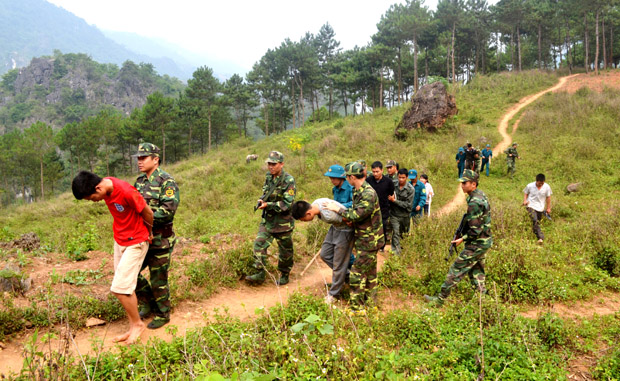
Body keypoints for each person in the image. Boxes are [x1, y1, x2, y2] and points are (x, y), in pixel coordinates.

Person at [72, 171, 153, 344]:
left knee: (119, 288)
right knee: (124, 287)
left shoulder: (125, 191)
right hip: (120, 241)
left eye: (92, 198)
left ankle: (138, 325)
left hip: (136, 241)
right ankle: (133, 325)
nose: (93, 201)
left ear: (98, 187)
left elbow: (148, 213)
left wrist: (150, 233)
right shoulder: (106, 190)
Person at [424, 170, 492, 306]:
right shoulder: (480, 195)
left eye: (465, 183)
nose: (462, 186)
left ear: (473, 184)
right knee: (476, 271)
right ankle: (484, 302)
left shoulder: (474, 202)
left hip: (476, 243)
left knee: (456, 270)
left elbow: (475, 230)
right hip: (484, 242)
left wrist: (463, 238)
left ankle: (440, 300)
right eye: (462, 183)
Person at [325, 162, 384, 314]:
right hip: (365, 238)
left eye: (347, 177)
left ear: (352, 177)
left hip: (370, 240)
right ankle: (371, 303)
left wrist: (337, 209)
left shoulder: (368, 194)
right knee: (370, 274)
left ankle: (357, 309)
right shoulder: (358, 191)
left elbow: (357, 214)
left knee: (356, 274)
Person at [133, 143, 179, 329]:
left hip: (160, 240)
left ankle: (162, 313)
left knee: (158, 278)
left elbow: (168, 210)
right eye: (138, 158)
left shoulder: (166, 182)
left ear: (155, 159)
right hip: (142, 238)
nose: (140, 161)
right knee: (130, 273)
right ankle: (147, 303)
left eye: (144, 158)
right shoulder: (140, 182)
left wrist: (145, 215)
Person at [246, 151, 296, 286]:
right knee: (259, 244)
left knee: (285, 251)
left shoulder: (288, 180)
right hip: (268, 220)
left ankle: (285, 274)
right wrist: (262, 200)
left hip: (283, 222)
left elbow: (287, 204)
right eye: (269, 163)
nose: (270, 166)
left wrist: (269, 205)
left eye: (273, 164)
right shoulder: (269, 177)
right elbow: (266, 192)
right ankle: (260, 273)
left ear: (281, 164)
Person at [291, 199, 353, 304]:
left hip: (345, 231)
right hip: (335, 228)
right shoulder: (316, 202)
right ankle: (347, 276)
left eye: (303, 220)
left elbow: (348, 220)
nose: (304, 222)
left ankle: (334, 294)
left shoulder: (328, 215)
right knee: (325, 254)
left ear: (308, 213)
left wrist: (347, 221)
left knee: (339, 264)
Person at [325, 164, 355, 268]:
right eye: (330, 178)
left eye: (334, 178)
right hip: (338, 223)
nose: (332, 180)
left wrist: (339, 207)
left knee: (344, 252)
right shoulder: (335, 189)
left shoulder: (351, 188)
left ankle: (354, 270)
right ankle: (347, 274)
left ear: (341, 177)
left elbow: (354, 204)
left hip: (348, 223)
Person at [367, 161, 394, 252]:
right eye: (373, 171)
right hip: (371, 209)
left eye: (377, 171)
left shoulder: (388, 182)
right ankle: (372, 245)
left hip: (383, 208)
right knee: (370, 227)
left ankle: (382, 246)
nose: (375, 174)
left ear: (382, 170)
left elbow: (391, 194)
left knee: (382, 227)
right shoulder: (369, 180)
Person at [388, 168, 414, 255]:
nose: (401, 180)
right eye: (399, 177)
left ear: (407, 177)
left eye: (403, 178)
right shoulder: (393, 184)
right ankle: (396, 254)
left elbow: (408, 205)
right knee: (396, 233)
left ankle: (403, 252)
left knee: (404, 235)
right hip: (394, 215)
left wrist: (394, 201)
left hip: (405, 216)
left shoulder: (410, 189)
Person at [523, 173, 552, 244]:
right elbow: (526, 193)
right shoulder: (530, 186)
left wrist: (548, 208)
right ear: (536, 181)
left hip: (540, 208)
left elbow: (548, 198)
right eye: (539, 184)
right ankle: (540, 237)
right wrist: (525, 201)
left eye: (542, 183)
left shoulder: (547, 187)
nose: (541, 185)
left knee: (537, 222)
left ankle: (533, 232)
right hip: (531, 205)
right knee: (534, 219)